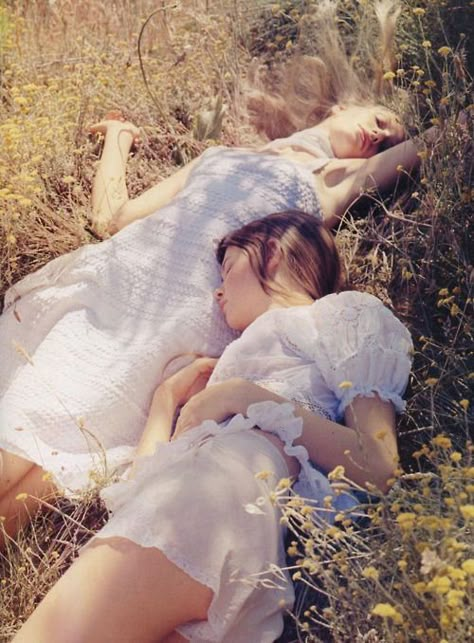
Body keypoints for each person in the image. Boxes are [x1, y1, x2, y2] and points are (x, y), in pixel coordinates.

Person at [0, 2, 433, 546]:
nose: (382, 135)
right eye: (380, 118)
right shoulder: (218, 156)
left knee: (49, 474)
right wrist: (119, 140)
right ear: (343, 104)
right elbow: (112, 218)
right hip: (121, 293)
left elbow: (421, 148)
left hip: (186, 329)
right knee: (22, 422)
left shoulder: (322, 192)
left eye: (390, 138)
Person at [12, 211, 413, 642]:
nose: (218, 290)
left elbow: (379, 465)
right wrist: (165, 403)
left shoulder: (342, 314)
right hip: (234, 548)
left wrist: (240, 395)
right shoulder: (234, 365)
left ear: (272, 253)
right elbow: (138, 492)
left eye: (228, 267)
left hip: (216, 503)